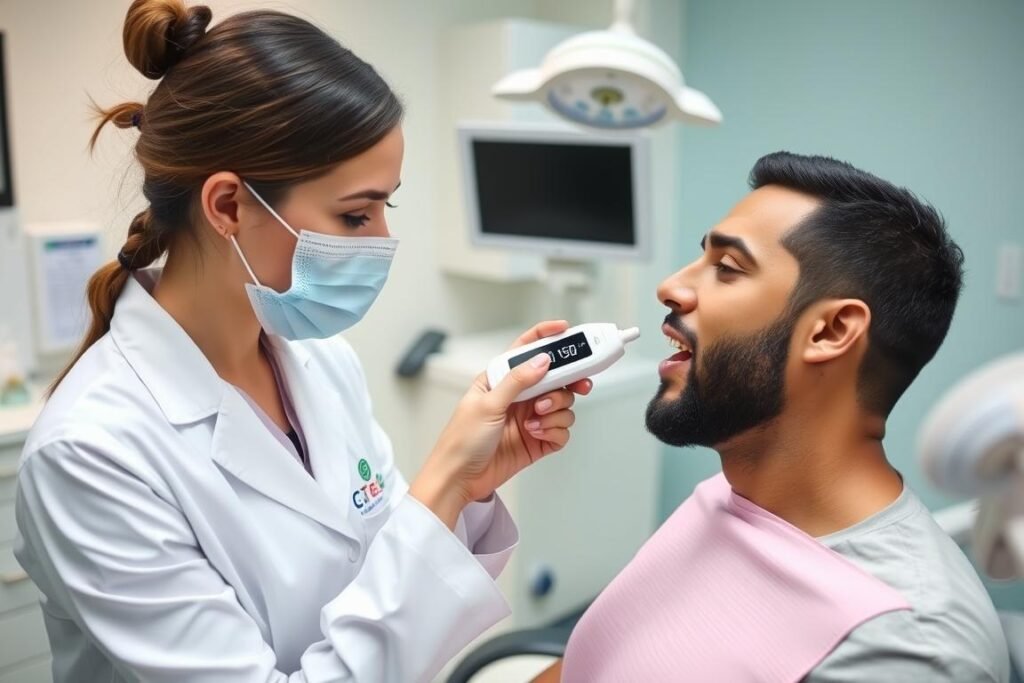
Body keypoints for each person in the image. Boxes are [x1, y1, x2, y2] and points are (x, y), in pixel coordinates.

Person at [13, 2, 590, 681]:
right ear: (227, 205)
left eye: (384, 207)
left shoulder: (321, 362)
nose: (382, 241)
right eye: (355, 215)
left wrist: (470, 487)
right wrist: (441, 482)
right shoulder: (90, 453)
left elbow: (385, 579)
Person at [534, 152, 1010, 682]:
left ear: (830, 331)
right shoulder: (730, 495)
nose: (671, 286)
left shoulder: (906, 648)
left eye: (727, 269)